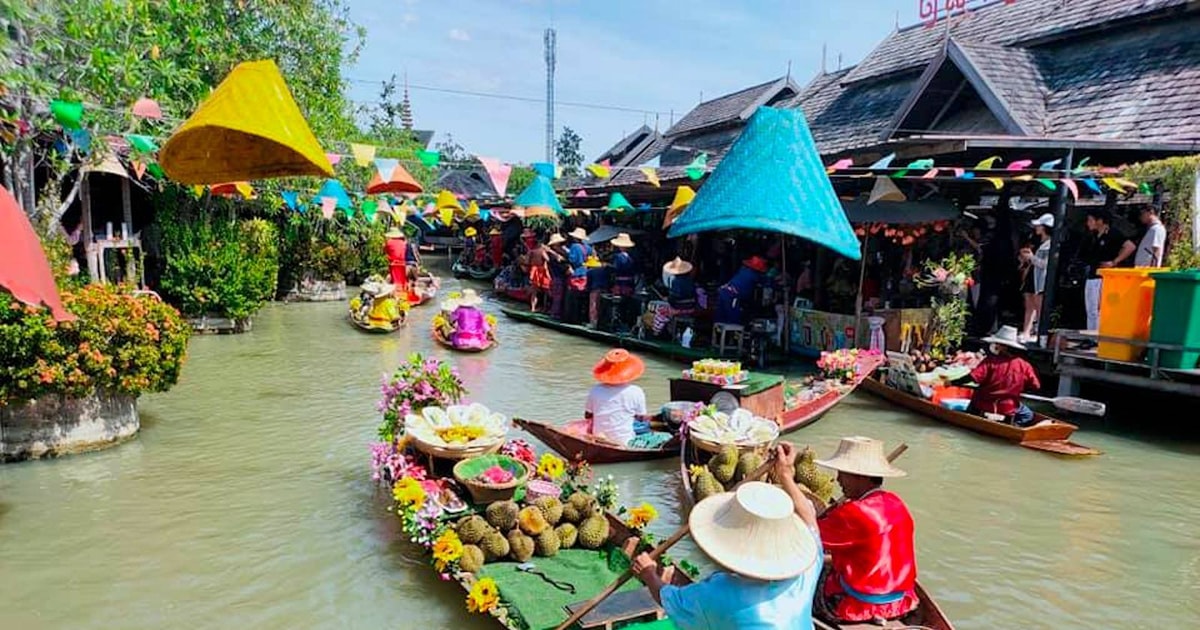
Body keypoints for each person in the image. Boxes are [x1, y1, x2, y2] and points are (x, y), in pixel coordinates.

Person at [631, 443, 821, 629]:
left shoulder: (720, 592)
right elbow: (809, 518)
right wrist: (786, 475)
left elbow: (669, 600)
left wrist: (649, 574)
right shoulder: (805, 571)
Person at [812, 436, 918, 623]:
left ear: (859, 476)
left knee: (806, 575)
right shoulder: (896, 502)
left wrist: (787, 478)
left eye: (842, 473)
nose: (837, 479)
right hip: (902, 601)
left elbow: (810, 533)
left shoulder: (854, 512)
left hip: (858, 605)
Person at [583, 349, 669, 448]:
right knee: (665, 436)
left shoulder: (595, 390)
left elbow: (588, 415)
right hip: (625, 440)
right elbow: (640, 417)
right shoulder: (636, 391)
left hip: (598, 436)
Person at [964, 325, 1042, 426]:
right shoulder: (1025, 365)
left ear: (1002, 346)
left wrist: (953, 382)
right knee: (1028, 416)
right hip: (1009, 407)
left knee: (972, 405)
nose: (995, 345)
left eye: (997, 343)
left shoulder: (990, 361)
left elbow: (972, 378)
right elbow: (1036, 386)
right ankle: (1015, 426)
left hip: (983, 405)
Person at [1078, 209, 1134, 331]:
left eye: (1091, 220)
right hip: (1092, 273)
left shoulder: (1113, 233)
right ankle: (1091, 335)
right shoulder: (1092, 236)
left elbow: (1130, 246)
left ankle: (1097, 335)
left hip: (1103, 276)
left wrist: (1114, 262)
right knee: (1091, 308)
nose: (1088, 223)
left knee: (1099, 307)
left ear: (1100, 221)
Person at [1020, 213, 1054, 342]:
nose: (1036, 227)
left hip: (1040, 278)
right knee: (1029, 304)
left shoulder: (1051, 244)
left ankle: (1041, 333)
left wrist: (1031, 257)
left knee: (1039, 306)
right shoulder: (1037, 241)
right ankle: (1026, 331)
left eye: (1039, 225)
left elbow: (1045, 264)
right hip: (1032, 275)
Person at [715, 256, 768, 325]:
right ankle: (732, 334)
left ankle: (718, 334)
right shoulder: (754, 275)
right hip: (732, 295)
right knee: (733, 318)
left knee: (721, 317)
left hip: (724, 291)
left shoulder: (743, 270)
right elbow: (766, 281)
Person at [565, 227, 592, 324]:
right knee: (582, 297)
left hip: (575, 273)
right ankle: (581, 318)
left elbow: (572, 259)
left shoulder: (574, 246)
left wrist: (566, 253)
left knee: (573, 297)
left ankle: (572, 319)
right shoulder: (588, 247)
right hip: (585, 272)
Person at [526, 233, 551, 313]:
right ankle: (544, 308)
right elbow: (547, 259)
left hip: (534, 270)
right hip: (541, 270)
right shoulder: (541, 251)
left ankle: (533, 308)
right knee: (546, 290)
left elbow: (527, 262)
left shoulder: (531, 251)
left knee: (535, 291)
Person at [547, 233, 569, 320]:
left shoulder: (559, 253)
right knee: (558, 296)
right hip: (557, 276)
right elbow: (558, 265)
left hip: (560, 276)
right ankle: (554, 314)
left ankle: (557, 313)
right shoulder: (553, 255)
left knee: (559, 295)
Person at [384, 227, 410, 293]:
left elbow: (385, 252)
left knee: (393, 277)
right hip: (402, 263)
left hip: (393, 263)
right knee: (402, 279)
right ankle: (403, 289)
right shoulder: (403, 243)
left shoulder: (388, 243)